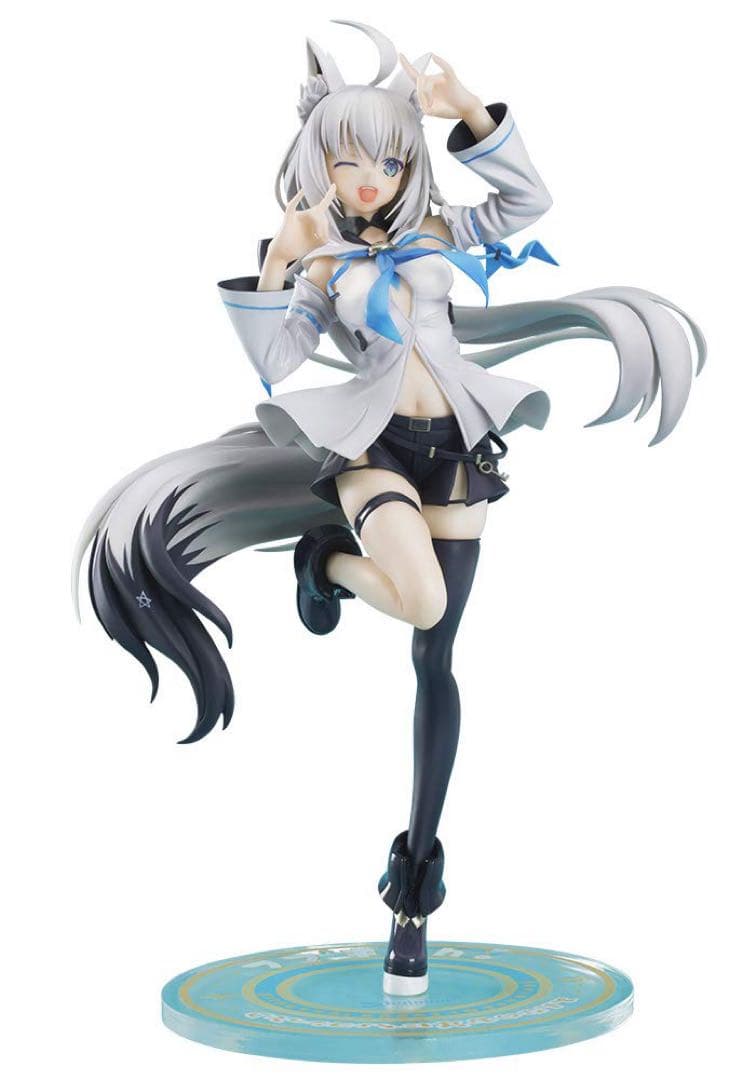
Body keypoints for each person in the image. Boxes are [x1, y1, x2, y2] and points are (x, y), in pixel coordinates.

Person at [73, 21, 705, 996]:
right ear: (318, 162)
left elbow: (528, 202)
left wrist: (470, 110)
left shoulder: (438, 232)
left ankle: (412, 893)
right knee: (420, 600)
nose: (370, 179)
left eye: (389, 159)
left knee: (435, 656)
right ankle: (326, 559)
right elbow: (276, 362)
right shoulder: (321, 259)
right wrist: (282, 265)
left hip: (457, 448)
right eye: (349, 160)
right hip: (372, 448)